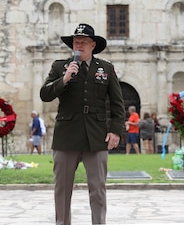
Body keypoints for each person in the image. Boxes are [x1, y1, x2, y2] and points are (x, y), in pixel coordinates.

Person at [40, 23, 125, 225]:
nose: (79, 45)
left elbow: (117, 103)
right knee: (62, 188)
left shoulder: (106, 68)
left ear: (93, 44)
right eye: (76, 42)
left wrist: (115, 131)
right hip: (66, 135)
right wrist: (64, 79)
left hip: (96, 136)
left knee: (97, 188)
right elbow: (45, 94)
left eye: (83, 42)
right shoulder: (60, 67)